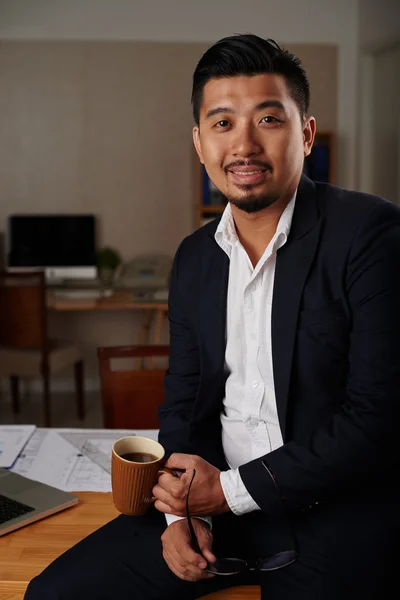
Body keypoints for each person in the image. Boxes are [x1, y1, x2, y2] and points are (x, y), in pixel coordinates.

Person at [25, 34, 400, 600]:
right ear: (200, 144)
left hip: (337, 510)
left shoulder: (371, 235)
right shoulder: (196, 257)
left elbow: (376, 420)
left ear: (306, 133)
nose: (243, 145)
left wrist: (227, 493)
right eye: (222, 124)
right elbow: (183, 404)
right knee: (52, 594)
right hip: (216, 506)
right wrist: (180, 516)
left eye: (268, 119)